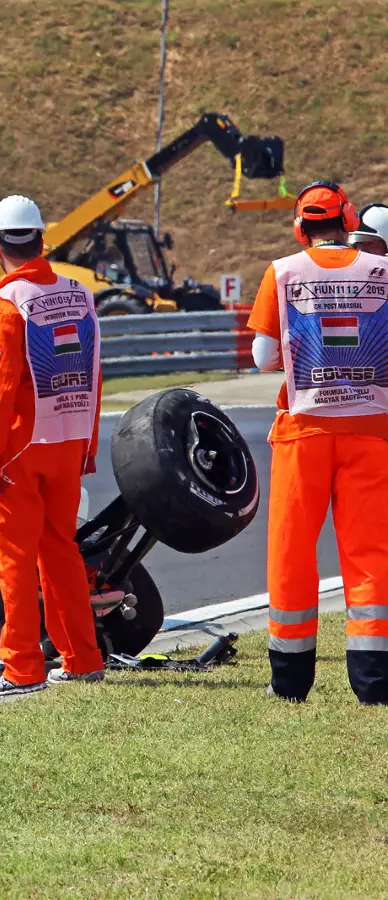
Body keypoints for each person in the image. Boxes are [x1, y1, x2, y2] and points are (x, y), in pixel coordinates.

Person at [248, 181, 388, 705]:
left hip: (304, 431)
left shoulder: (283, 272)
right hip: (373, 431)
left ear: (300, 226)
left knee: (291, 553)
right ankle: (374, 684)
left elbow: (264, 357)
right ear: (349, 219)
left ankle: (290, 683)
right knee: (371, 554)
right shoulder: (383, 272)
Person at [0, 194, 105, 695]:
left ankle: (23, 669)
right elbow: (94, 375)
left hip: (19, 450)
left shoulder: (7, 304)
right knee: (62, 551)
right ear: (42, 239)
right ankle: (82, 657)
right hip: (68, 441)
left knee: (13, 560)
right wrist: (87, 445)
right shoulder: (80, 293)